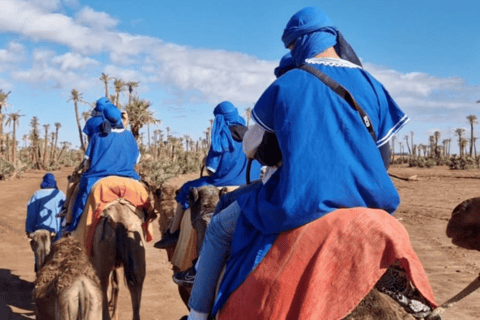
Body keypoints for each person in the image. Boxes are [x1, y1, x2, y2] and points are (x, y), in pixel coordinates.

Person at [185, 7, 410, 320]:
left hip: (299, 200)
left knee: (219, 228)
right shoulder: (372, 84)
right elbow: (384, 157)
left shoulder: (288, 84)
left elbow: (257, 149)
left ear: (300, 43)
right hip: (370, 201)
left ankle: (197, 314)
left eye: (291, 46)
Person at [155, 101, 262, 248]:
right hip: (250, 185)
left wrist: (207, 161)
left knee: (185, 188)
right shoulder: (251, 135)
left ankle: (173, 233)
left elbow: (211, 170)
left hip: (222, 184)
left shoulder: (221, 136)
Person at [66, 105, 141, 232]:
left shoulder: (97, 137)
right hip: (128, 178)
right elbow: (137, 159)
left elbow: (87, 162)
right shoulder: (129, 136)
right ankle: (146, 227)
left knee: (81, 199)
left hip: (97, 178)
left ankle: (73, 229)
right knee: (145, 202)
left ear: (104, 118)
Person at [26, 173, 66, 239]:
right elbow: (65, 210)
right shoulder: (59, 194)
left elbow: (31, 213)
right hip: (56, 229)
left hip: (39, 229)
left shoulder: (37, 194)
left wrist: (29, 230)